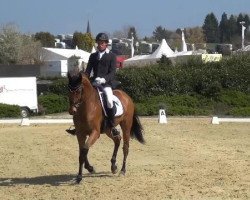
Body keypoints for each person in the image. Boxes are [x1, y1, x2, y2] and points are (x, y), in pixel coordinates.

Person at [85, 33, 119, 133]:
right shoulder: (93, 56)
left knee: (108, 99)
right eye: (99, 43)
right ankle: (79, 124)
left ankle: (112, 125)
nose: (100, 44)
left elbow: (112, 72)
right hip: (94, 83)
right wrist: (83, 77)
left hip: (106, 83)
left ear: (106, 44)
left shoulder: (112, 56)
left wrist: (104, 79)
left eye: (103, 43)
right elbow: (88, 71)